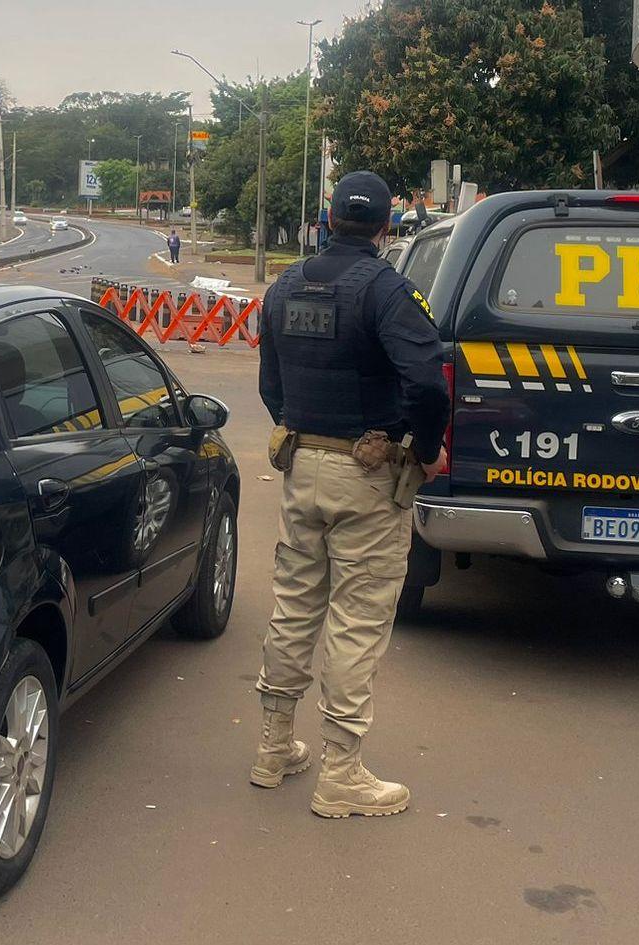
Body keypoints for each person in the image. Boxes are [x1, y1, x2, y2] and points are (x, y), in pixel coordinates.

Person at [252, 170, 449, 819]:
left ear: (327, 218)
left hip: (302, 464)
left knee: (296, 603)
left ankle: (274, 746)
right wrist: (422, 448)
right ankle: (341, 772)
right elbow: (426, 383)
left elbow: (270, 384)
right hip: (367, 473)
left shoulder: (283, 286)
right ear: (387, 227)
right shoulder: (387, 291)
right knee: (357, 618)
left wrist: (303, 428)